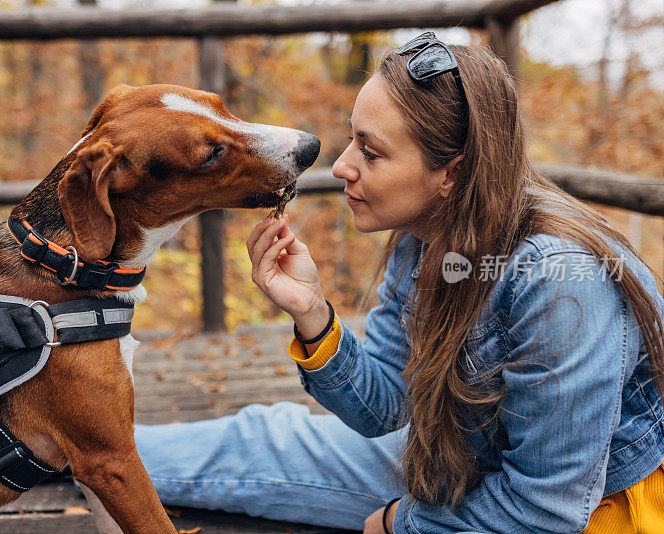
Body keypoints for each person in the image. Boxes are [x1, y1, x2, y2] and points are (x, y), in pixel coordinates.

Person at [134, 32, 664, 533]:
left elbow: (545, 510)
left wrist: (401, 523)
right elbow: (386, 406)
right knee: (262, 436)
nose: (341, 166)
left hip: (595, 507)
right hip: (462, 452)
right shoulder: (424, 232)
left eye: (370, 152)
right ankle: (82, 451)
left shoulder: (561, 285)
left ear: (451, 174)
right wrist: (313, 315)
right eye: (351, 140)